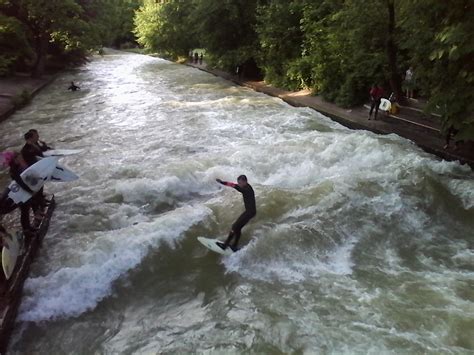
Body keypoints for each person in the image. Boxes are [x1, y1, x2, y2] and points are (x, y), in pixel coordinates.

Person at [215, 175, 256, 251]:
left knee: (234, 227)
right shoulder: (245, 186)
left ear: (245, 182)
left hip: (250, 212)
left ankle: (225, 245)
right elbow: (234, 185)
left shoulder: (247, 189)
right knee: (238, 228)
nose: (239, 184)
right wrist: (222, 182)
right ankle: (234, 245)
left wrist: (223, 182)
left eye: (240, 183)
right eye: (238, 183)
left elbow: (236, 186)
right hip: (250, 212)